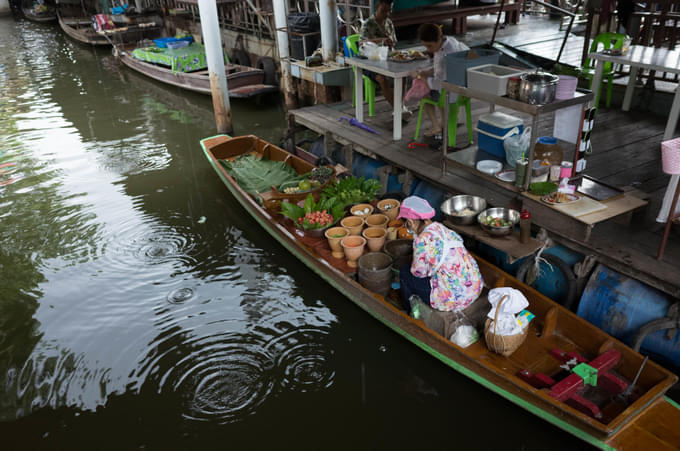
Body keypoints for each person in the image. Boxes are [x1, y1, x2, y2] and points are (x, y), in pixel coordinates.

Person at [398, 196, 483, 313]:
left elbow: (418, 273)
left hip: (455, 299)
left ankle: (409, 310)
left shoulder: (421, 241)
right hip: (475, 288)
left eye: (406, 225)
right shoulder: (442, 228)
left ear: (410, 222)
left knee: (405, 272)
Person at [411, 23, 469, 137]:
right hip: (463, 88)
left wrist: (421, 77)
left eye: (429, 46)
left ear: (438, 39)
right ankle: (445, 122)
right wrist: (429, 71)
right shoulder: (450, 41)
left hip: (451, 92)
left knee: (424, 93)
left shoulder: (446, 55)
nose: (428, 50)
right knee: (433, 88)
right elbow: (441, 69)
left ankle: (435, 126)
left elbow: (439, 85)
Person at [359, 0, 408, 115]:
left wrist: (390, 43)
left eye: (389, 10)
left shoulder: (389, 23)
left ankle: (400, 106)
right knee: (382, 78)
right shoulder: (368, 23)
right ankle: (398, 109)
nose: (386, 13)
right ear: (377, 7)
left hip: (386, 59)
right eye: (384, 10)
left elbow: (393, 42)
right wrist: (381, 40)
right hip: (369, 61)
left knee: (404, 75)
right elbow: (361, 43)